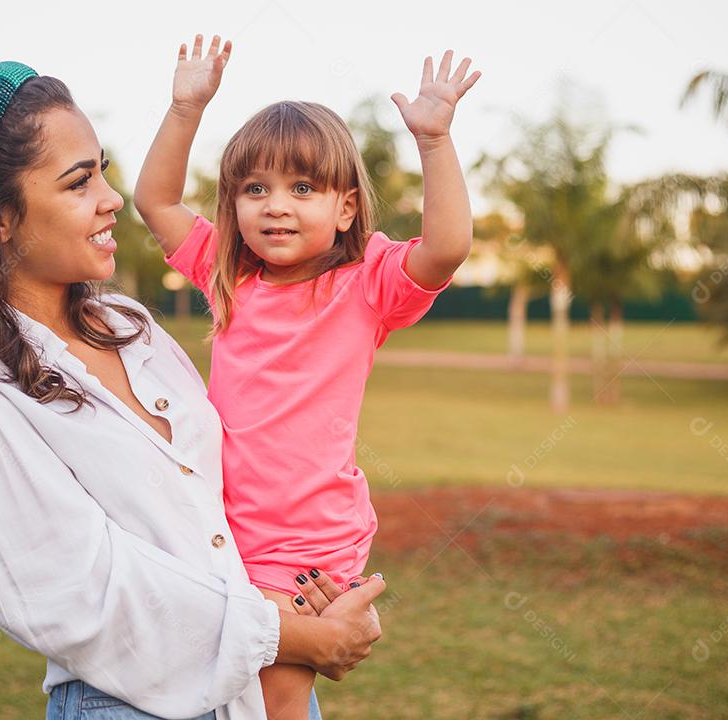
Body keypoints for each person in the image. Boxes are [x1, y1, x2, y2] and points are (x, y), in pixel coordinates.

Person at [0, 60, 385, 720]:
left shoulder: (129, 327)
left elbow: (218, 512)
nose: (111, 198)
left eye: (103, 171)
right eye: (80, 183)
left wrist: (310, 591)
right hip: (131, 704)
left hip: (254, 690)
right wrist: (299, 637)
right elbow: (71, 592)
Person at [134, 36, 480, 719]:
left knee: (278, 697)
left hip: (305, 535)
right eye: (254, 189)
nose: (275, 206)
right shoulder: (228, 274)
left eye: (302, 188)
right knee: (228, 692)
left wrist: (435, 142)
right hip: (220, 527)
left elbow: (446, 247)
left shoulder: (366, 285)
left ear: (345, 208)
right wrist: (185, 108)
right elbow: (154, 199)